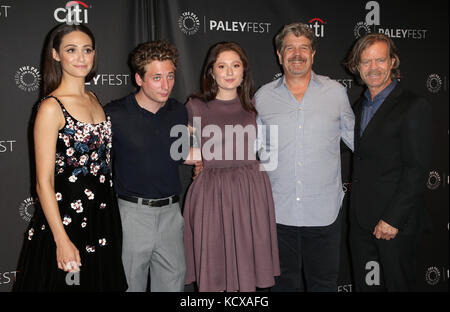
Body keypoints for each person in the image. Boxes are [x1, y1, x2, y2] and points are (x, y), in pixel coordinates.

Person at [13, 24, 127, 291]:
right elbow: (43, 182)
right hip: (66, 223)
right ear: (55, 55)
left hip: (102, 219)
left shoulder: (94, 98)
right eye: (71, 50)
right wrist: (61, 240)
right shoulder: (51, 107)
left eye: (87, 50)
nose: (81, 57)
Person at [255, 23, 355, 291]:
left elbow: (357, 141)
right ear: (279, 54)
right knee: (281, 286)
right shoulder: (262, 97)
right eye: (290, 48)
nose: (296, 54)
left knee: (323, 285)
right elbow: (250, 148)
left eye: (304, 48)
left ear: (313, 53)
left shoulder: (336, 93)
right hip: (278, 214)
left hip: (323, 213)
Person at [183, 42, 280, 292]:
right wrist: (202, 159)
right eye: (222, 66)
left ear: (243, 71)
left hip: (251, 193)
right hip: (212, 194)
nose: (229, 72)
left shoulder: (254, 107)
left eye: (235, 66)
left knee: (249, 267)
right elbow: (183, 151)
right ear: (211, 72)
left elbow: (267, 149)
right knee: (214, 267)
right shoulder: (195, 105)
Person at [104, 41, 196, 292]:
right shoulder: (114, 114)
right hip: (131, 216)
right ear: (139, 78)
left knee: (173, 286)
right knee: (128, 286)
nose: (166, 85)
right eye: (156, 77)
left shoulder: (179, 111)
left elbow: (181, 153)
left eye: (170, 76)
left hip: (171, 215)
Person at [345, 33, 432, 291]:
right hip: (361, 221)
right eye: (366, 62)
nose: (373, 68)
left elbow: (417, 169)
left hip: (394, 224)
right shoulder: (359, 106)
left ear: (393, 62)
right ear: (357, 67)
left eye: (380, 60)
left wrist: (393, 219)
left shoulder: (414, 106)